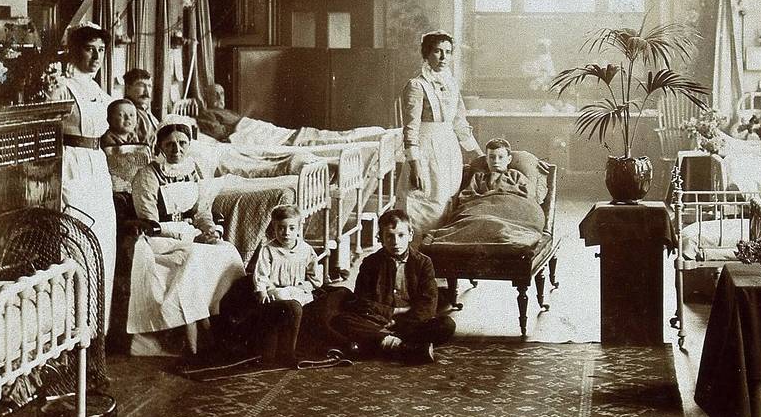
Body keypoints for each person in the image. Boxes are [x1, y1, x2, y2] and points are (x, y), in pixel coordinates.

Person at [128, 120, 244, 356]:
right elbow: (150, 221)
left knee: (227, 251)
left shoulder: (193, 171)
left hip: (191, 235)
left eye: (182, 143)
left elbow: (201, 212)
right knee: (194, 257)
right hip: (158, 240)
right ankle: (196, 339)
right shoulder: (147, 176)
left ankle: (221, 322)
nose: (177, 150)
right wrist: (188, 233)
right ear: (160, 145)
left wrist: (209, 230)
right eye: (170, 144)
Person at [324, 209, 455, 363]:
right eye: (389, 236)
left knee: (446, 325)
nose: (395, 242)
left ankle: (382, 342)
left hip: (411, 322)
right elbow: (362, 301)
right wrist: (392, 312)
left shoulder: (423, 263)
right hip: (378, 321)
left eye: (401, 235)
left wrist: (400, 322)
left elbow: (427, 304)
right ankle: (404, 347)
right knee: (341, 320)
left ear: (410, 235)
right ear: (381, 238)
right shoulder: (370, 263)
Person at [56, 24, 118, 337]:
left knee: (103, 245)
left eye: (102, 50)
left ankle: (96, 336)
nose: (96, 57)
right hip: (72, 167)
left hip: (97, 167)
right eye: (89, 49)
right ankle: (70, 334)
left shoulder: (98, 89)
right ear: (73, 50)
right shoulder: (61, 85)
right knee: (76, 242)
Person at [397, 30, 481, 239]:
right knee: (422, 202)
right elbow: (410, 129)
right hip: (425, 151)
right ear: (427, 54)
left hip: (448, 150)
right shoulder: (416, 85)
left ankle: (439, 260)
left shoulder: (451, 84)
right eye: (438, 51)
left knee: (446, 201)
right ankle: (414, 257)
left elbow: (460, 123)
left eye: (448, 52)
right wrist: (415, 163)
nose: (444, 57)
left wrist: (478, 153)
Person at [222, 204, 322, 367]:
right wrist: (261, 291)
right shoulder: (268, 250)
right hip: (276, 292)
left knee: (307, 304)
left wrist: (305, 287)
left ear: (298, 228)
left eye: (291, 228)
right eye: (281, 228)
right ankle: (286, 352)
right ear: (274, 228)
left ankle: (292, 347)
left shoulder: (306, 250)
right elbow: (261, 275)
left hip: (296, 290)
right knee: (284, 300)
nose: (286, 233)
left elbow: (315, 277)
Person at [461, 138, 532, 201]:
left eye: (500, 157)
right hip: (484, 209)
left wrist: (496, 193)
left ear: (509, 159)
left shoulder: (515, 175)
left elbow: (528, 194)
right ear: (486, 159)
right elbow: (466, 196)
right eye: (492, 157)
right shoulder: (479, 177)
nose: (496, 161)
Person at [124, 68, 160, 148]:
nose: (147, 91)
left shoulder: (145, 110)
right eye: (141, 86)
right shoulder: (126, 112)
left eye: (149, 86)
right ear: (128, 88)